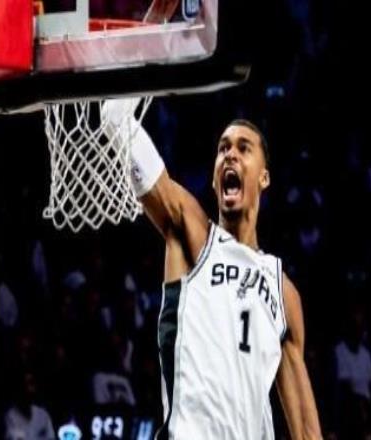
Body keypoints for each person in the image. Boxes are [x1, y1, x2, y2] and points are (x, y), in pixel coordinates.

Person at [102, 99, 323, 439]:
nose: (230, 155)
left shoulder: (284, 293)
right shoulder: (196, 237)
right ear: (214, 179)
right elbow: (126, 137)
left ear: (264, 177)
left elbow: (307, 431)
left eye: (243, 148)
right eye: (223, 149)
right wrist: (121, 110)